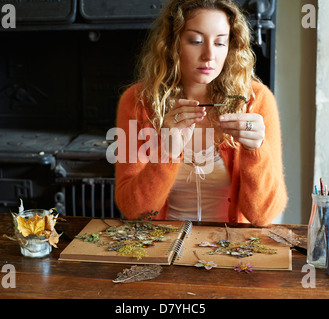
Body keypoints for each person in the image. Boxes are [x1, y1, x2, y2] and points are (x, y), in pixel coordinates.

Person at [113, 0, 287, 226]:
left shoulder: (256, 100)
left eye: (220, 43)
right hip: (162, 247)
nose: (209, 55)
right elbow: (134, 211)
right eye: (196, 41)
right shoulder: (137, 102)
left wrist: (256, 152)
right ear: (172, 43)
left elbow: (263, 215)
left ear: (231, 47)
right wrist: (166, 152)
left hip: (231, 251)